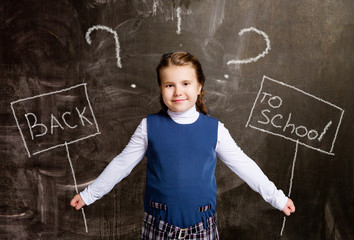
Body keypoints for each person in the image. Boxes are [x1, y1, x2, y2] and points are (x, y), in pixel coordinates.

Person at [71, 51, 295, 239]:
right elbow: (122, 164)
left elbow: (243, 165)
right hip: (158, 227)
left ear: (199, 87)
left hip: (202, 228)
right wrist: (90, 195)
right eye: (170, 85)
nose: (178, 91)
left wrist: (276, 197)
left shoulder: (214, 129)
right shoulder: (149, 126)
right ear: (161, 88)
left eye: (186, 83)